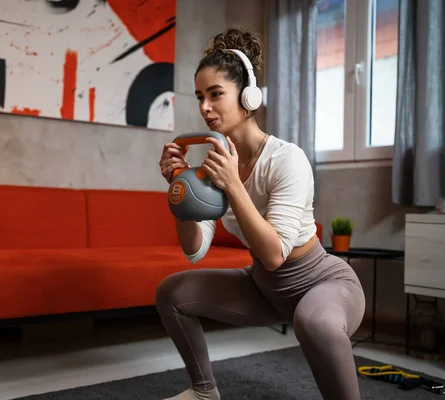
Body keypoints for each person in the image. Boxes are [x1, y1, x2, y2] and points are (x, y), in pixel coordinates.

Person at [156, 27, 366, 400]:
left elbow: (273, 254)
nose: (205, 107)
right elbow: (194, 250)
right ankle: (204, 392)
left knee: (314, 322)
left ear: (248, 98)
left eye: (216, 94)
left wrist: (234, 185)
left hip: (322, 285)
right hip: (264, 288)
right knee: (172, 292)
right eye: (200, 97)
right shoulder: (214, 166)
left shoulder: (287, 158)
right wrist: (180, 187)